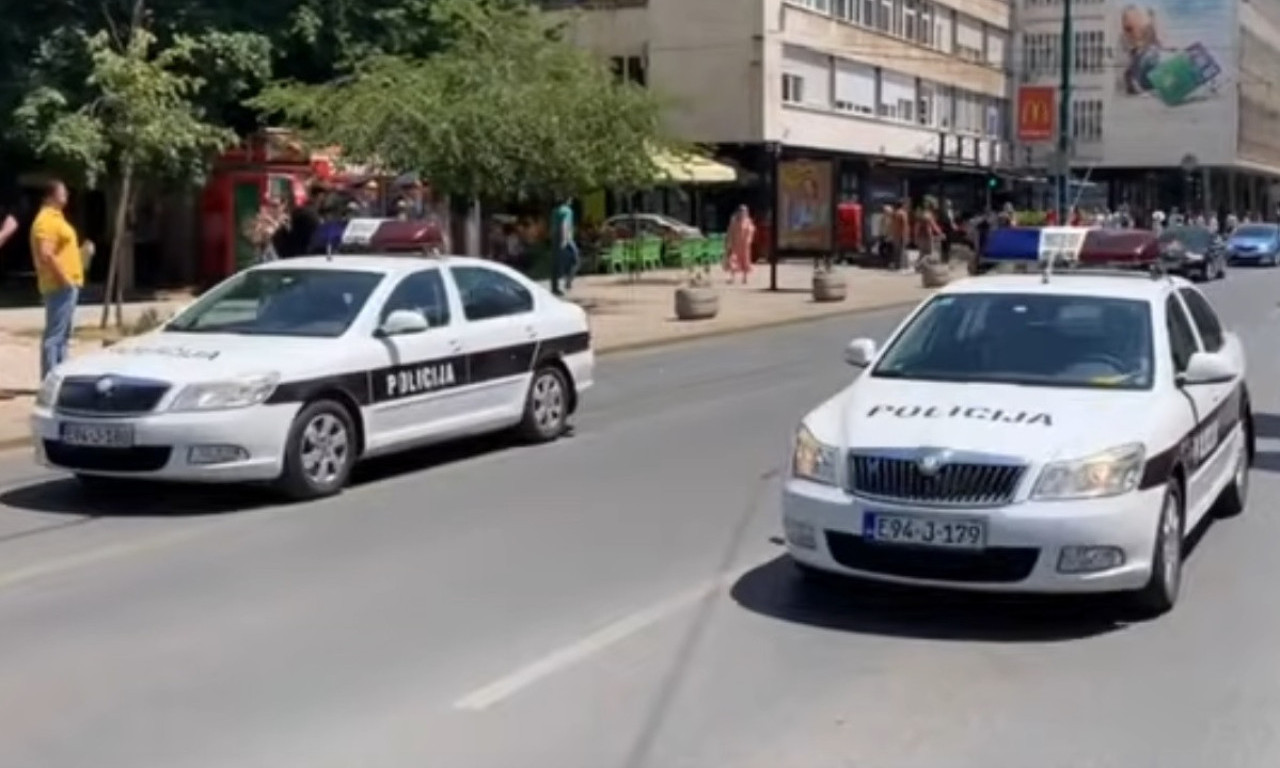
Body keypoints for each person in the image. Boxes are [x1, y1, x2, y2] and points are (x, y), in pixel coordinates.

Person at [30, 179, 84, 380]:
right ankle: (51, 377)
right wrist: (64, 280)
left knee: (62, 335)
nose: (66, 195)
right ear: (50, 196)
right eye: (62, 192)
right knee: (55, 335)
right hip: (59, 286)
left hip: (67, 284)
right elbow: (46, 253)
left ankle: (60, 374)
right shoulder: (46, 220)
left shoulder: (57, 219)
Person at [549, 197, 578, 296]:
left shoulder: (555, 211)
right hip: (566, 237)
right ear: (567, 200)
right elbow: (564, 224)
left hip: (555, 238)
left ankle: (554, 287)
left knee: (555, 263)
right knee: (576, 260)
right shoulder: (567, 211)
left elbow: (553, 226)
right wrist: (565, 239)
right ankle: (568, 281)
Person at [724, 204, 756, 284]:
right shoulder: (734, 220)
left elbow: (751, 230)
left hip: (744, 245)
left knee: (745, 261)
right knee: (733, 260)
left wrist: (749, 239)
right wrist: (729, 241)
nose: (742, 212)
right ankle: (732, 278)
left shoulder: (748, 221)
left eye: (744, 211)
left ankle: (745, 278)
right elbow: (730, 231)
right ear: (738, 211)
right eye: (741, 211)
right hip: (735, 244)